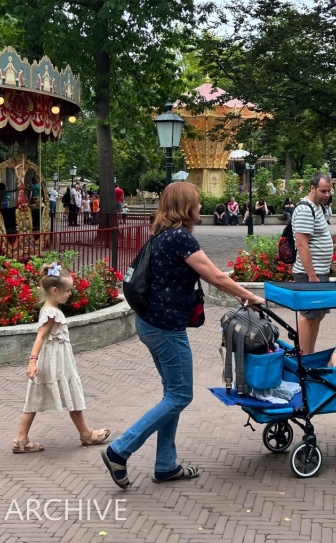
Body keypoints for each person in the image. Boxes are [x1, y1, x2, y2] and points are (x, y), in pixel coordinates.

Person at [101, 182, 264, 489]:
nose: (201, 207)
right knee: (180, 395)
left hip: (151, 322)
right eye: (197, 203)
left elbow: (209, 275)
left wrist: (238, 290)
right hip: (165, 328)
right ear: (187, 207)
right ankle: (119, 450)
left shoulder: (162, 234)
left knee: (172, 394)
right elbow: (215, 276)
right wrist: (250, 297)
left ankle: (165, 465)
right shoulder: (180, 237)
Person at [13, 266, 112, 453]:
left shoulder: (50, 309)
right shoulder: (52, 313)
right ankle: (85, 434)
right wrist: (32, 361)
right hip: (55, 361)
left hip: (55, 358)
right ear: (54, 291)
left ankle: (21, 439)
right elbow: (41, 336)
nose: (69, 294)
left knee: (37, 396)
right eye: (67, 290)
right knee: (67, 394)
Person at [292, 172, 335, 355]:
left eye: (329, 191)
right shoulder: (305, 209)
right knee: (309, 316)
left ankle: (310, 354)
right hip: (309, 274)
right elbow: (302, 245)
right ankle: (304, 358)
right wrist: (312, 275)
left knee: (317, 315)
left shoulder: (318, 207)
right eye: (323, 191)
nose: (327, 195)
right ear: (312, 188)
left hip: (319, 272)